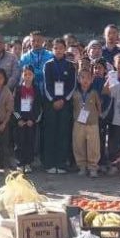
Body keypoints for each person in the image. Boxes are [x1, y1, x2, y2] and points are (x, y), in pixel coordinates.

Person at [42, 39, 76, 174]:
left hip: (65, 104)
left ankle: (61, 163)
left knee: (63, 132)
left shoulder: (70, 65)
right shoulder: (48, 65)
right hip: (51, 103)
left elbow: (72, 85)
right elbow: (46, 85)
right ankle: (49, 163)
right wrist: (53, 100)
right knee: (50, 132)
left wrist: (64, 99)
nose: (58, 50)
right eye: (55, 48)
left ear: (65, 49)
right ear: (52, 50)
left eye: (61, 48)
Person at [71, 68, 103, 177]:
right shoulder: (75, 93)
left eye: (88, 78)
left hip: (92, 123)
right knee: (78, 145)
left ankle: (93, 167)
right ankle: (82, 166)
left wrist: (99, 114)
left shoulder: (94, 92)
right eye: (83, 77)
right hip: (78, 123)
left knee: (93, 146)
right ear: (78, 79)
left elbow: (99, 105)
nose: (85, 80)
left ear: (92, 80)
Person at [13, 66, 43, 173]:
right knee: (19, 142)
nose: (27, 77)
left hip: (31, 121)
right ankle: (20, 163)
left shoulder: (36, 89)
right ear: (22, 75)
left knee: (30, 142)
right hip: (20, 121)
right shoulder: (18, 89)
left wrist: (33, 119)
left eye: (30, 74)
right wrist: (19, 119)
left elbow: (38, 106)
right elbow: (14, 106)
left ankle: (28, 163)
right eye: (25, 74)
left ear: (33, 76)